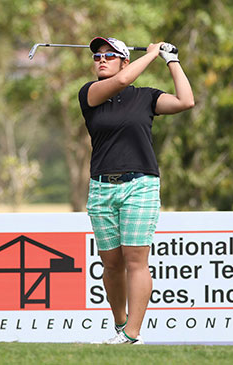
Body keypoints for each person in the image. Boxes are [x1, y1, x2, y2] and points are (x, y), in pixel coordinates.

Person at [78, 37, 194, 345]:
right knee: (111, 264)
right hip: (102, 187)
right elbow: (124, 79)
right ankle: (120, 325)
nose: (101, 60)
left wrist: (172, 60)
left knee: (135, 260)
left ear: (124, 60)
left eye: (109, 55)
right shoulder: (90, 94)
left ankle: (132, 333)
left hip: (140, 185)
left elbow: (185, 101)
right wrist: (153, 53)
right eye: (97, 56)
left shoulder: (146, 97)